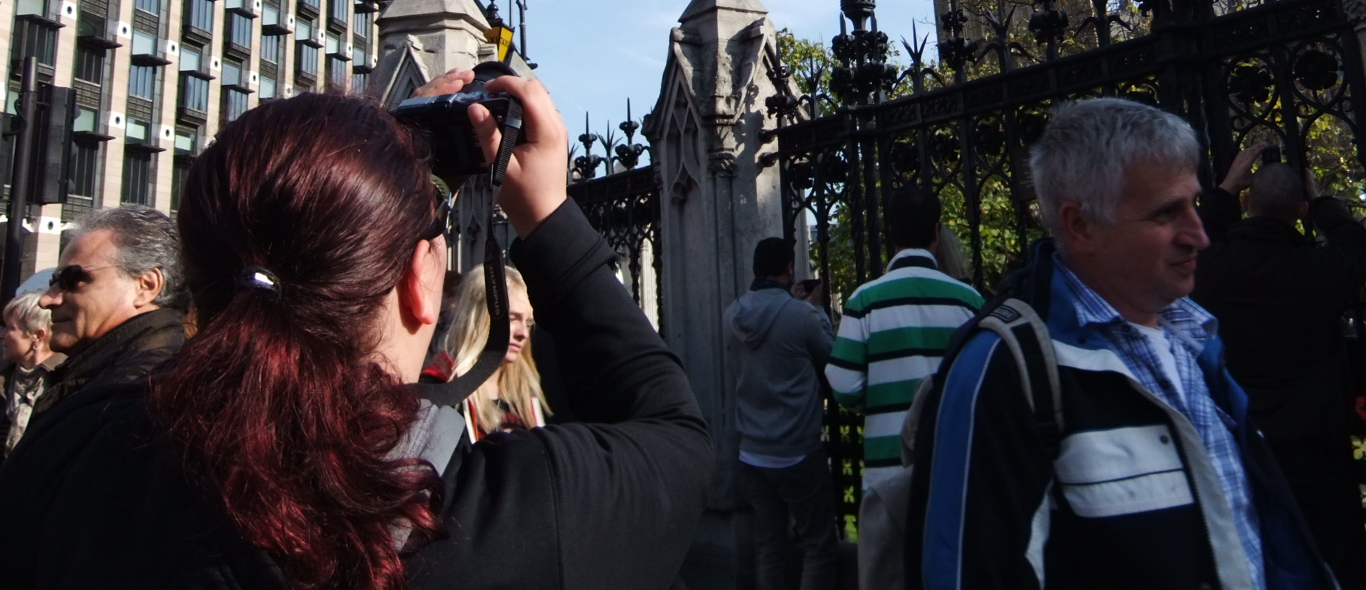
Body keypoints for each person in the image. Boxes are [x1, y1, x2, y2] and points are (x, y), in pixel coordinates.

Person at [0, 72, 713, 590]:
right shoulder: (506, 520)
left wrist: (363, 160)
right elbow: (673, 429)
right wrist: (548, 216)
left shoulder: (79, 449)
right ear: (420, 281)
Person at [908, 97, 1335, 590]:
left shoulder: (1196, 342)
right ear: (1081, 225)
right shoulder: (1004, 370)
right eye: (1166, 213)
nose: (1198, 235)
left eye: (1194, 205)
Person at [1195, 145, 1366, 590]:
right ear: (1299, 211)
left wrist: (1223, 189)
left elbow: (1193, 238)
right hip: (1312, 441)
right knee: (1330, 552)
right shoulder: (1318, 271)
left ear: (1245, 203)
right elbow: (1358, 244)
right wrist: (1322, 205)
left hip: (1242, 437)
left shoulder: (1213, 267)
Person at [826, 190, 983, 491]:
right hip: (956, 465)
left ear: (890, 233)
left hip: (888, 474)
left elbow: (843, 385)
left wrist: (880, 397)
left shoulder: (865, 301)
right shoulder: (969, 300)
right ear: (937, 232)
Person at [724, 235, 838, 590]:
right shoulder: (801, 316)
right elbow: (831, 361)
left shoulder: (732, 314)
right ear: (789, 268)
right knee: (818, 544)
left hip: (752, 452)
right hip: (797, 451)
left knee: (769, 546)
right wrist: (818, 310)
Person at [31, 205, 186, 420]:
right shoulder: (106, 383)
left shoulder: (144, 396)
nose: (46, 300)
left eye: (71, 279)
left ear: (147, 286)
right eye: (54, 281)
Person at [423, 263, 553, 436]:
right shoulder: (441, 388)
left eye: (528, 323)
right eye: (512, 319)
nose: (523, 333)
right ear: (479, 318)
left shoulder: (532, 391)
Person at [2, 292, 62, 461]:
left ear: (37, 335)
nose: (2, 335)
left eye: (10, 328)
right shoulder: (5, 379)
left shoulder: (65, 379)